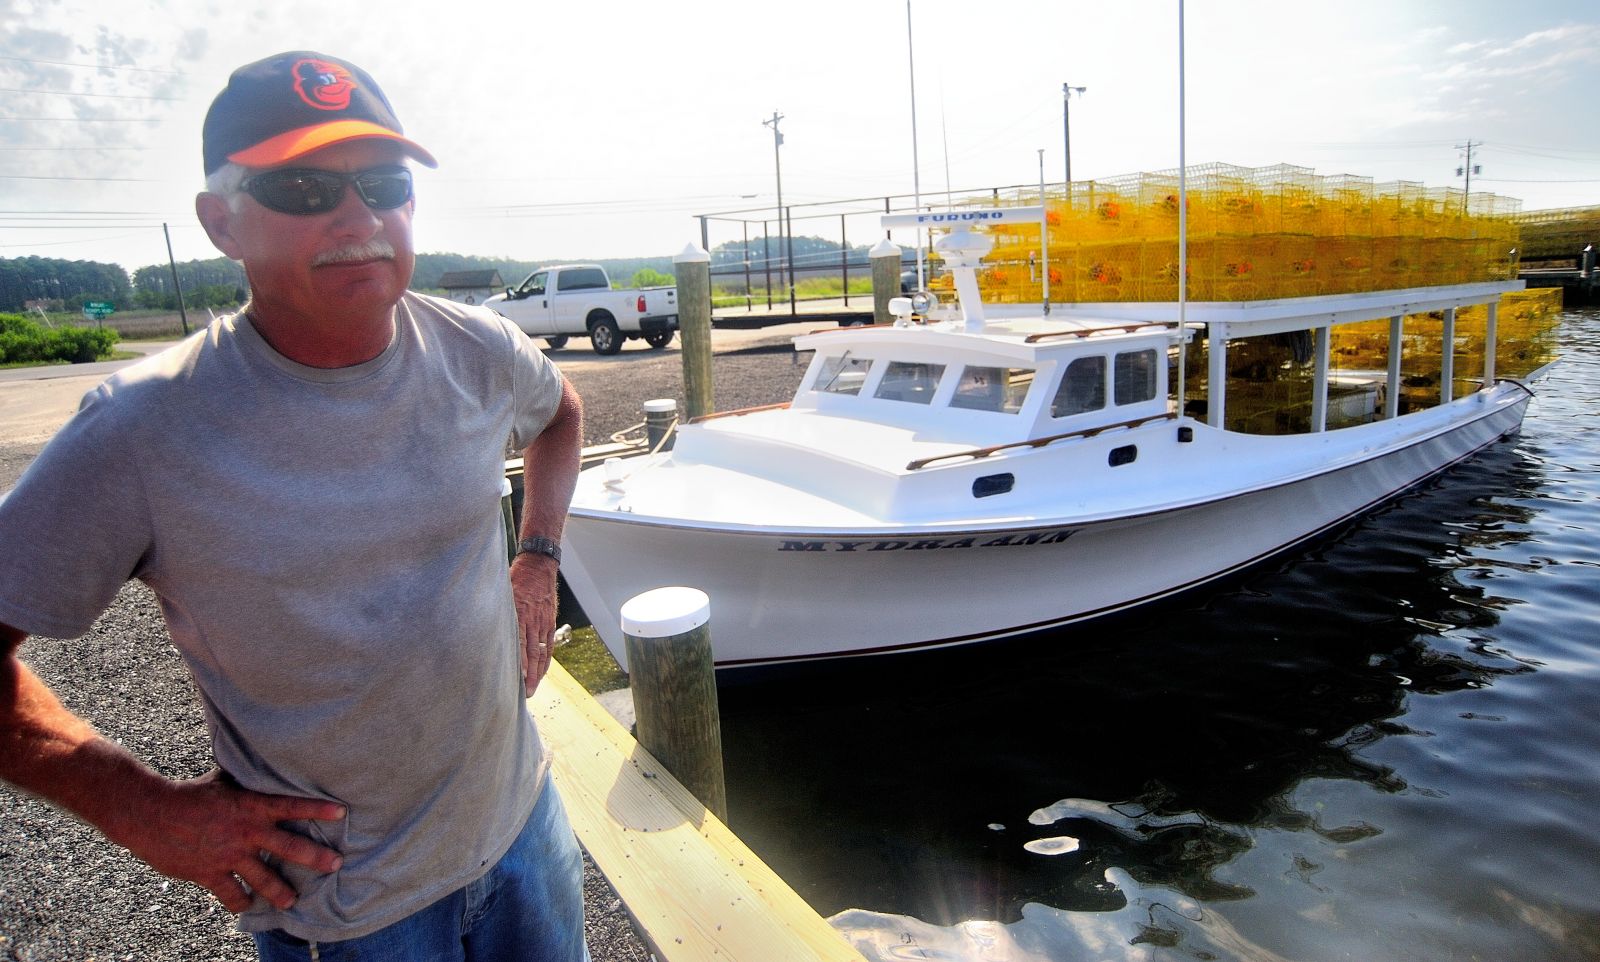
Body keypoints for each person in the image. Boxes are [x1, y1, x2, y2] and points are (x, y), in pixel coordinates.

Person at [0, 51, 589, 961]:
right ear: (220, 223)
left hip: (525, 833)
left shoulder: (479, 349)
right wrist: (143, 808)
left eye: (384, 183)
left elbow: (562, 416)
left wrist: (536, 559)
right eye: (305, 187)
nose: (358, 217)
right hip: (353, 923)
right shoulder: (142, 431)